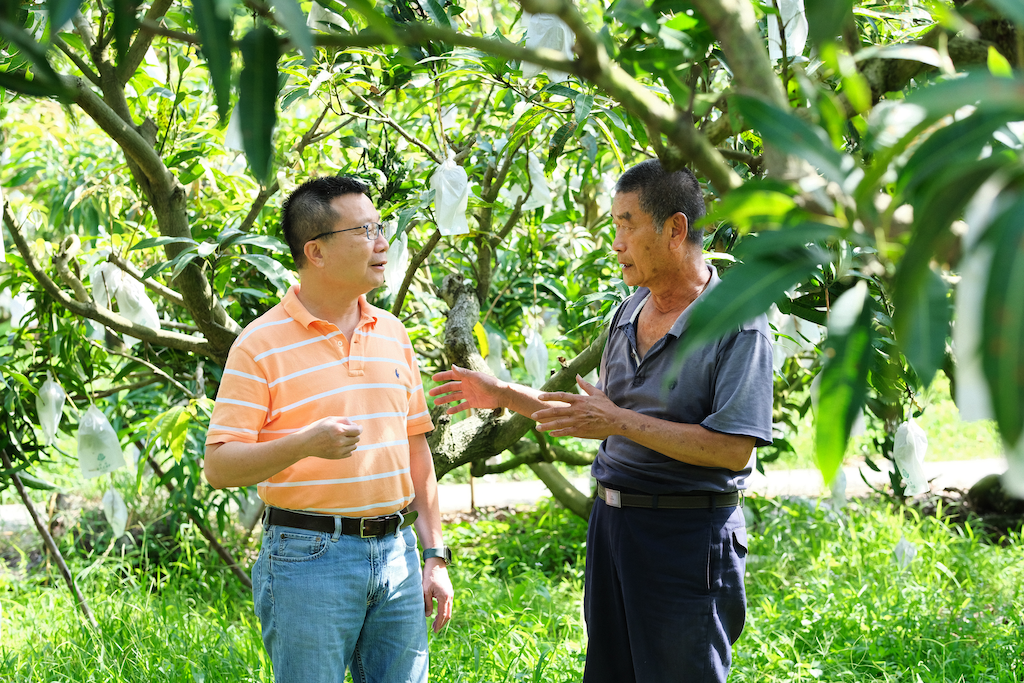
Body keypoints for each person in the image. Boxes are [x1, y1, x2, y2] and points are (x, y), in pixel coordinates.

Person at [430, 159, 773, 683]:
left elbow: (732, 449)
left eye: (626, 226)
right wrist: (501, 393)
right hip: (613, 528)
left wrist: (621, 422)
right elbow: (594, 417)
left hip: (686, 535)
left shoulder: (737, 322)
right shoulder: (628, 312)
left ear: (675, 229)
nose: (616, 244)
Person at [204, 176, 453, 683]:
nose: (382, 243)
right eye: (365, 231)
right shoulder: (259, 344)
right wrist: (304, 444)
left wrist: (435, 554)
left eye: (380, 227)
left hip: (399, 555)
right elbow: (219, 466)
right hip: (308, 557)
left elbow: (416, 449)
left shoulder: (393, 332)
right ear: (315, 252)